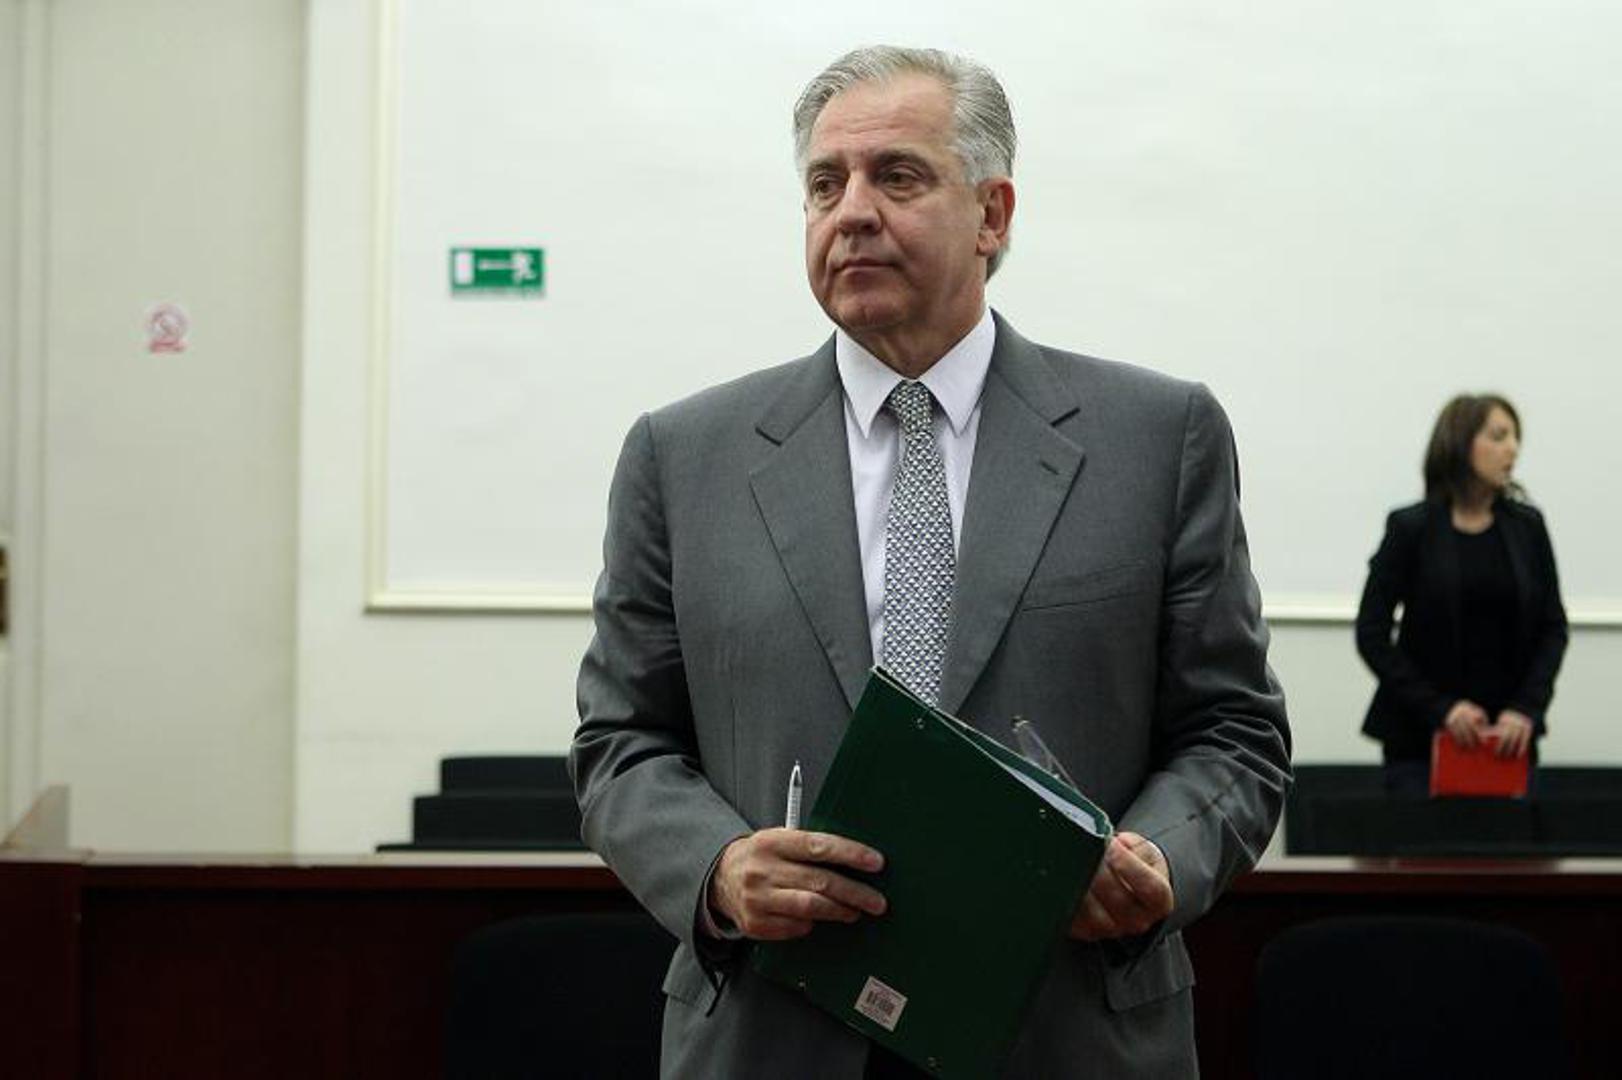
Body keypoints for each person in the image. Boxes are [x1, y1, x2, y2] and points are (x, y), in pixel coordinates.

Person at [570, 45, 1290, 1079]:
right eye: (825, 184)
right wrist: (716, 869)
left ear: (992, 214)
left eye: (896, 177)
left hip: (1063, 1027)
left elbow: (1233, 731)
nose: (851, 212)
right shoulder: (682, 457)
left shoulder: (1155, 438)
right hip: (778, 1033)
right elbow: (620, 742)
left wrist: (1157, 860)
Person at [1355, 394, 1568, 796]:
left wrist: (1526, 709)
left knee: (1511, 838)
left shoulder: (1527, 527)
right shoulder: (1411, 528)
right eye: (1499, 437)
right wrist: (1441, 709)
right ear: (1460, 441)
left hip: (1508, 741)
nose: (1512, 449)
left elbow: (1553, 627)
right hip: (1420, 744)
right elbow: (1371, 633)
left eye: (1515, 438)